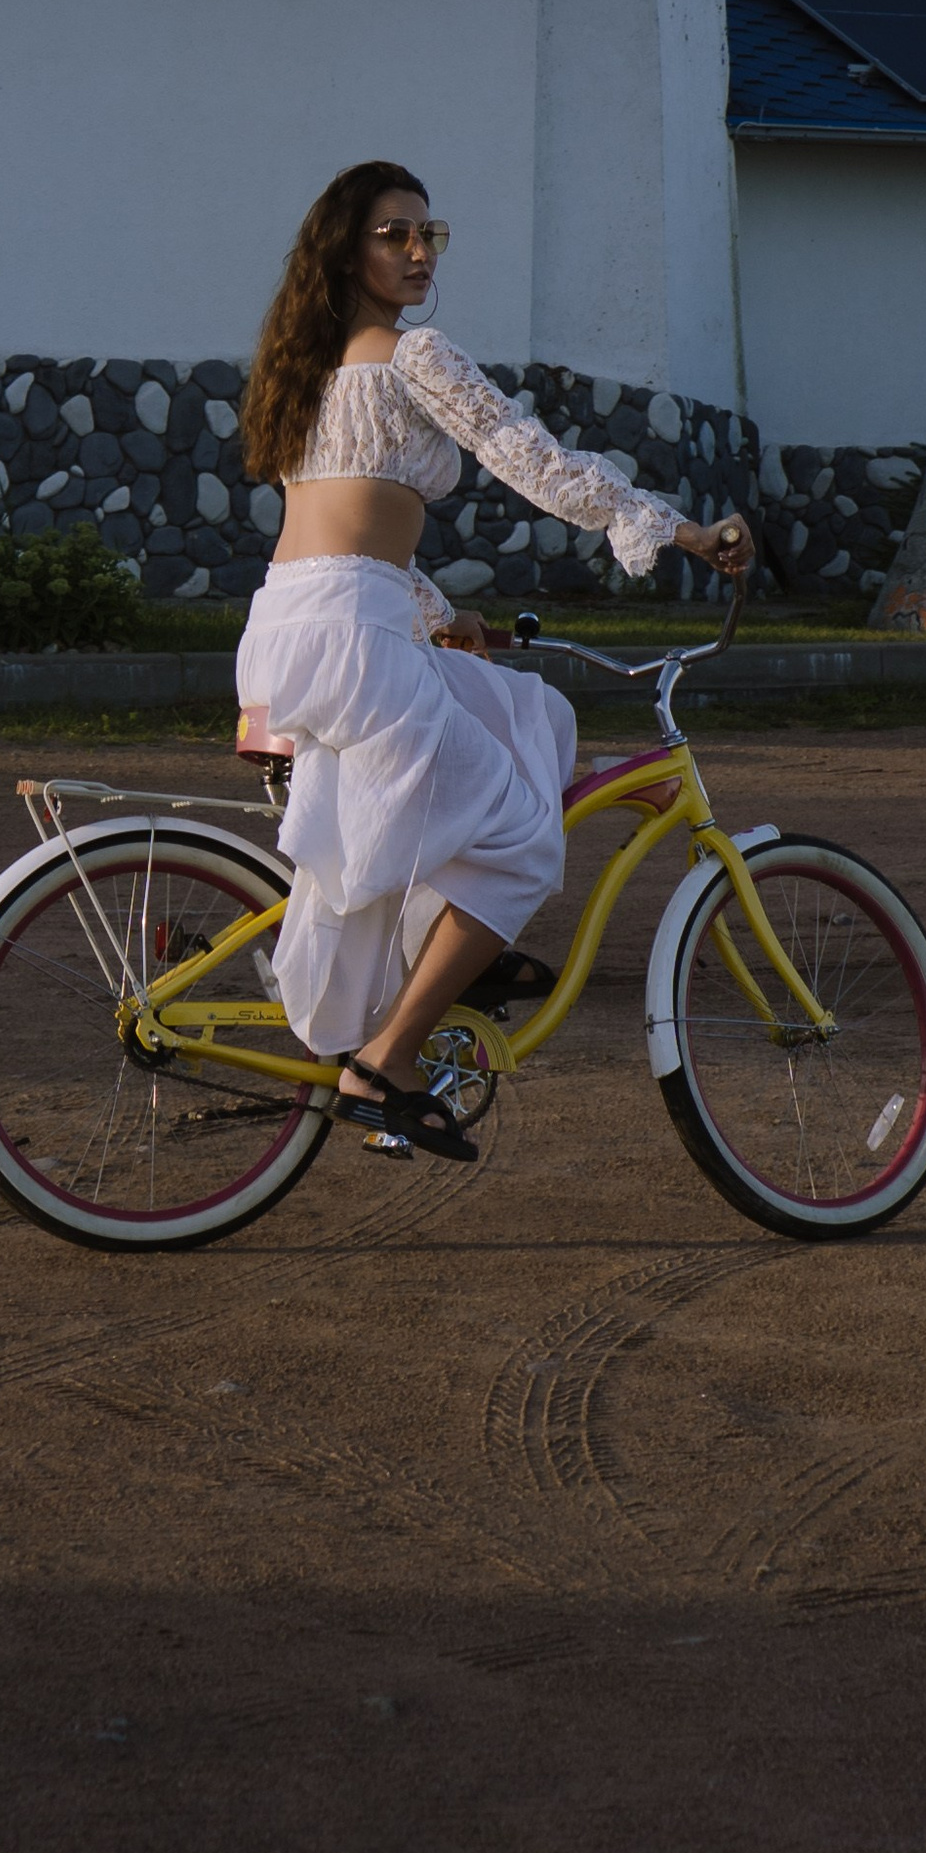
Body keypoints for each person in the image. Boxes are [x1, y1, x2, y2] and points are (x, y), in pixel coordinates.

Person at [235, 158, 752, 1164]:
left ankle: (459, 965)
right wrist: (684, 534)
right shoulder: (412, 356)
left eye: (430, 234)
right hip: (348, 633)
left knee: (531, 718)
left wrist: (437, 616)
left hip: (303, 623)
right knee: (523, 843)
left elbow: (337, 536)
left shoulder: (311, 367)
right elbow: (539, 465)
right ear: (347, 248)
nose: (421, 252)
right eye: (395, 234)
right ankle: (385, 1063)